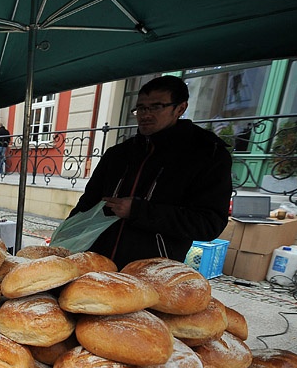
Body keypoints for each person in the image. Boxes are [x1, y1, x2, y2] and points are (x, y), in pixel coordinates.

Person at [68, 75, 232, 268]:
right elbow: (86, 204)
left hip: (151, 271)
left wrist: (138, 211)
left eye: (156, 107)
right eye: (140, 108)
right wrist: (68, 236)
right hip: (98, 263)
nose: (145, 114)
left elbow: (208, 224)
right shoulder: (118, 154)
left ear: (180, 108)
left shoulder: (207, 155)